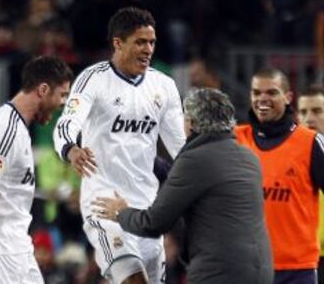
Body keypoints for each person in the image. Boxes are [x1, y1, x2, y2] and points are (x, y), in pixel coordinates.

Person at [53, 6, 186, 284]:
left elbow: (182, 149)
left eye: (152, 42)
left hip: (147, 212)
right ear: (118, 43)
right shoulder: (94, 79)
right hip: (104, 207)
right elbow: (66, 124)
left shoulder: (164, 86)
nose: (148, 49)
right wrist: (71, 149)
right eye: (140, 42)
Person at [91, 88, 273, 284]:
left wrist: (121, 213)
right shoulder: (249, 157)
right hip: (261, 270)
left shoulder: (194, 160)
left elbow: (153, 223)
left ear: (191, 123)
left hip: (219, 272)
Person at [0, 56, 72, 283]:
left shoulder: (19, 130)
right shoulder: (4, 129)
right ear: (43, 89)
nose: (63, 103)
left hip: (18, 248)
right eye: (62, 95)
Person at [234, 68, 324, 284]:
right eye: (256, 93)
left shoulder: (311, 143)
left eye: (272, 93)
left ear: (288, 97)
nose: (263, 99)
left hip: (296, 271)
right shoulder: (235, 139)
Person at [297, 86, 324, 284]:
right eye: (303, 112)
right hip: (301, 258)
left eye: (317, 111)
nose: (309, 118)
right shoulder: (288, 157)